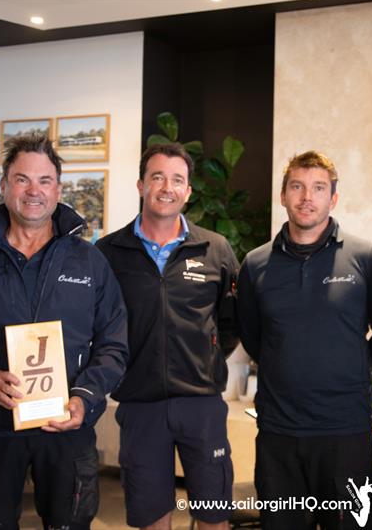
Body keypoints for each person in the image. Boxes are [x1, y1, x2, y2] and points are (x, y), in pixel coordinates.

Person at [0, 134, 128, 529]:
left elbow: (114, 344)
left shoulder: (90, 262)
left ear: (59, 189)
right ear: (3, 186)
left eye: (45, 180)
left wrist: (84, 399)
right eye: (22, 179)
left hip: (67, 426)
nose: (34, 191)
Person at [237, 151, 372, 529]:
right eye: (297, 187)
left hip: (346, 432)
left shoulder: (365, 257)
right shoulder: (255, 264)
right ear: (283, 195)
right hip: (279, 435)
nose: (307, 197)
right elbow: (254, 337)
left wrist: (352, 365)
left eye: (319, 188)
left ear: (333, 199)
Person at [96, 142, 239, 530]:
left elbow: (230, 322)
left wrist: (205, 357)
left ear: (188, 191)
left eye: (177, 179)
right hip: (140, 405)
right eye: (157, 177)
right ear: (141, 185)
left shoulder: (215, 249)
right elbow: (98, 323)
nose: (167, 187)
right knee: (151, 518)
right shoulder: (109, 252)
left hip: (201, 404)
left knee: (213, 516)